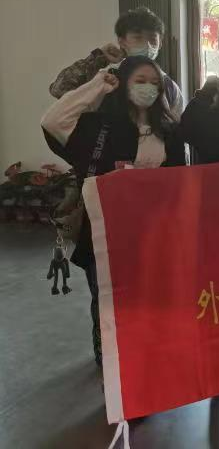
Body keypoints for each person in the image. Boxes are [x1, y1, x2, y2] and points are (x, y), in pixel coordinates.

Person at [41, 56, 186, 366]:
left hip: (151, 233)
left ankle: (144, 356)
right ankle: (109, 359)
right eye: (140, 80)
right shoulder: (99, 127)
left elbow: (178, 182)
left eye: (154, 83)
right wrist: (98, 84)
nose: (148, 88)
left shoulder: (168, 130)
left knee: (147, 297)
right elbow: (53, 121)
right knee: (106, 297)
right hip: (104, 231)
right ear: (123, 83)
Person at [49, 6, 184, 118]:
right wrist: (98, 58)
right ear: (122, 41)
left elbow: (177, 131)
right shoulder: (106, 78)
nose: (147, 45)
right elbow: (59, 89)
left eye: (153, 39)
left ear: (160, 44)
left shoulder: (170, 87)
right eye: (138, 38)